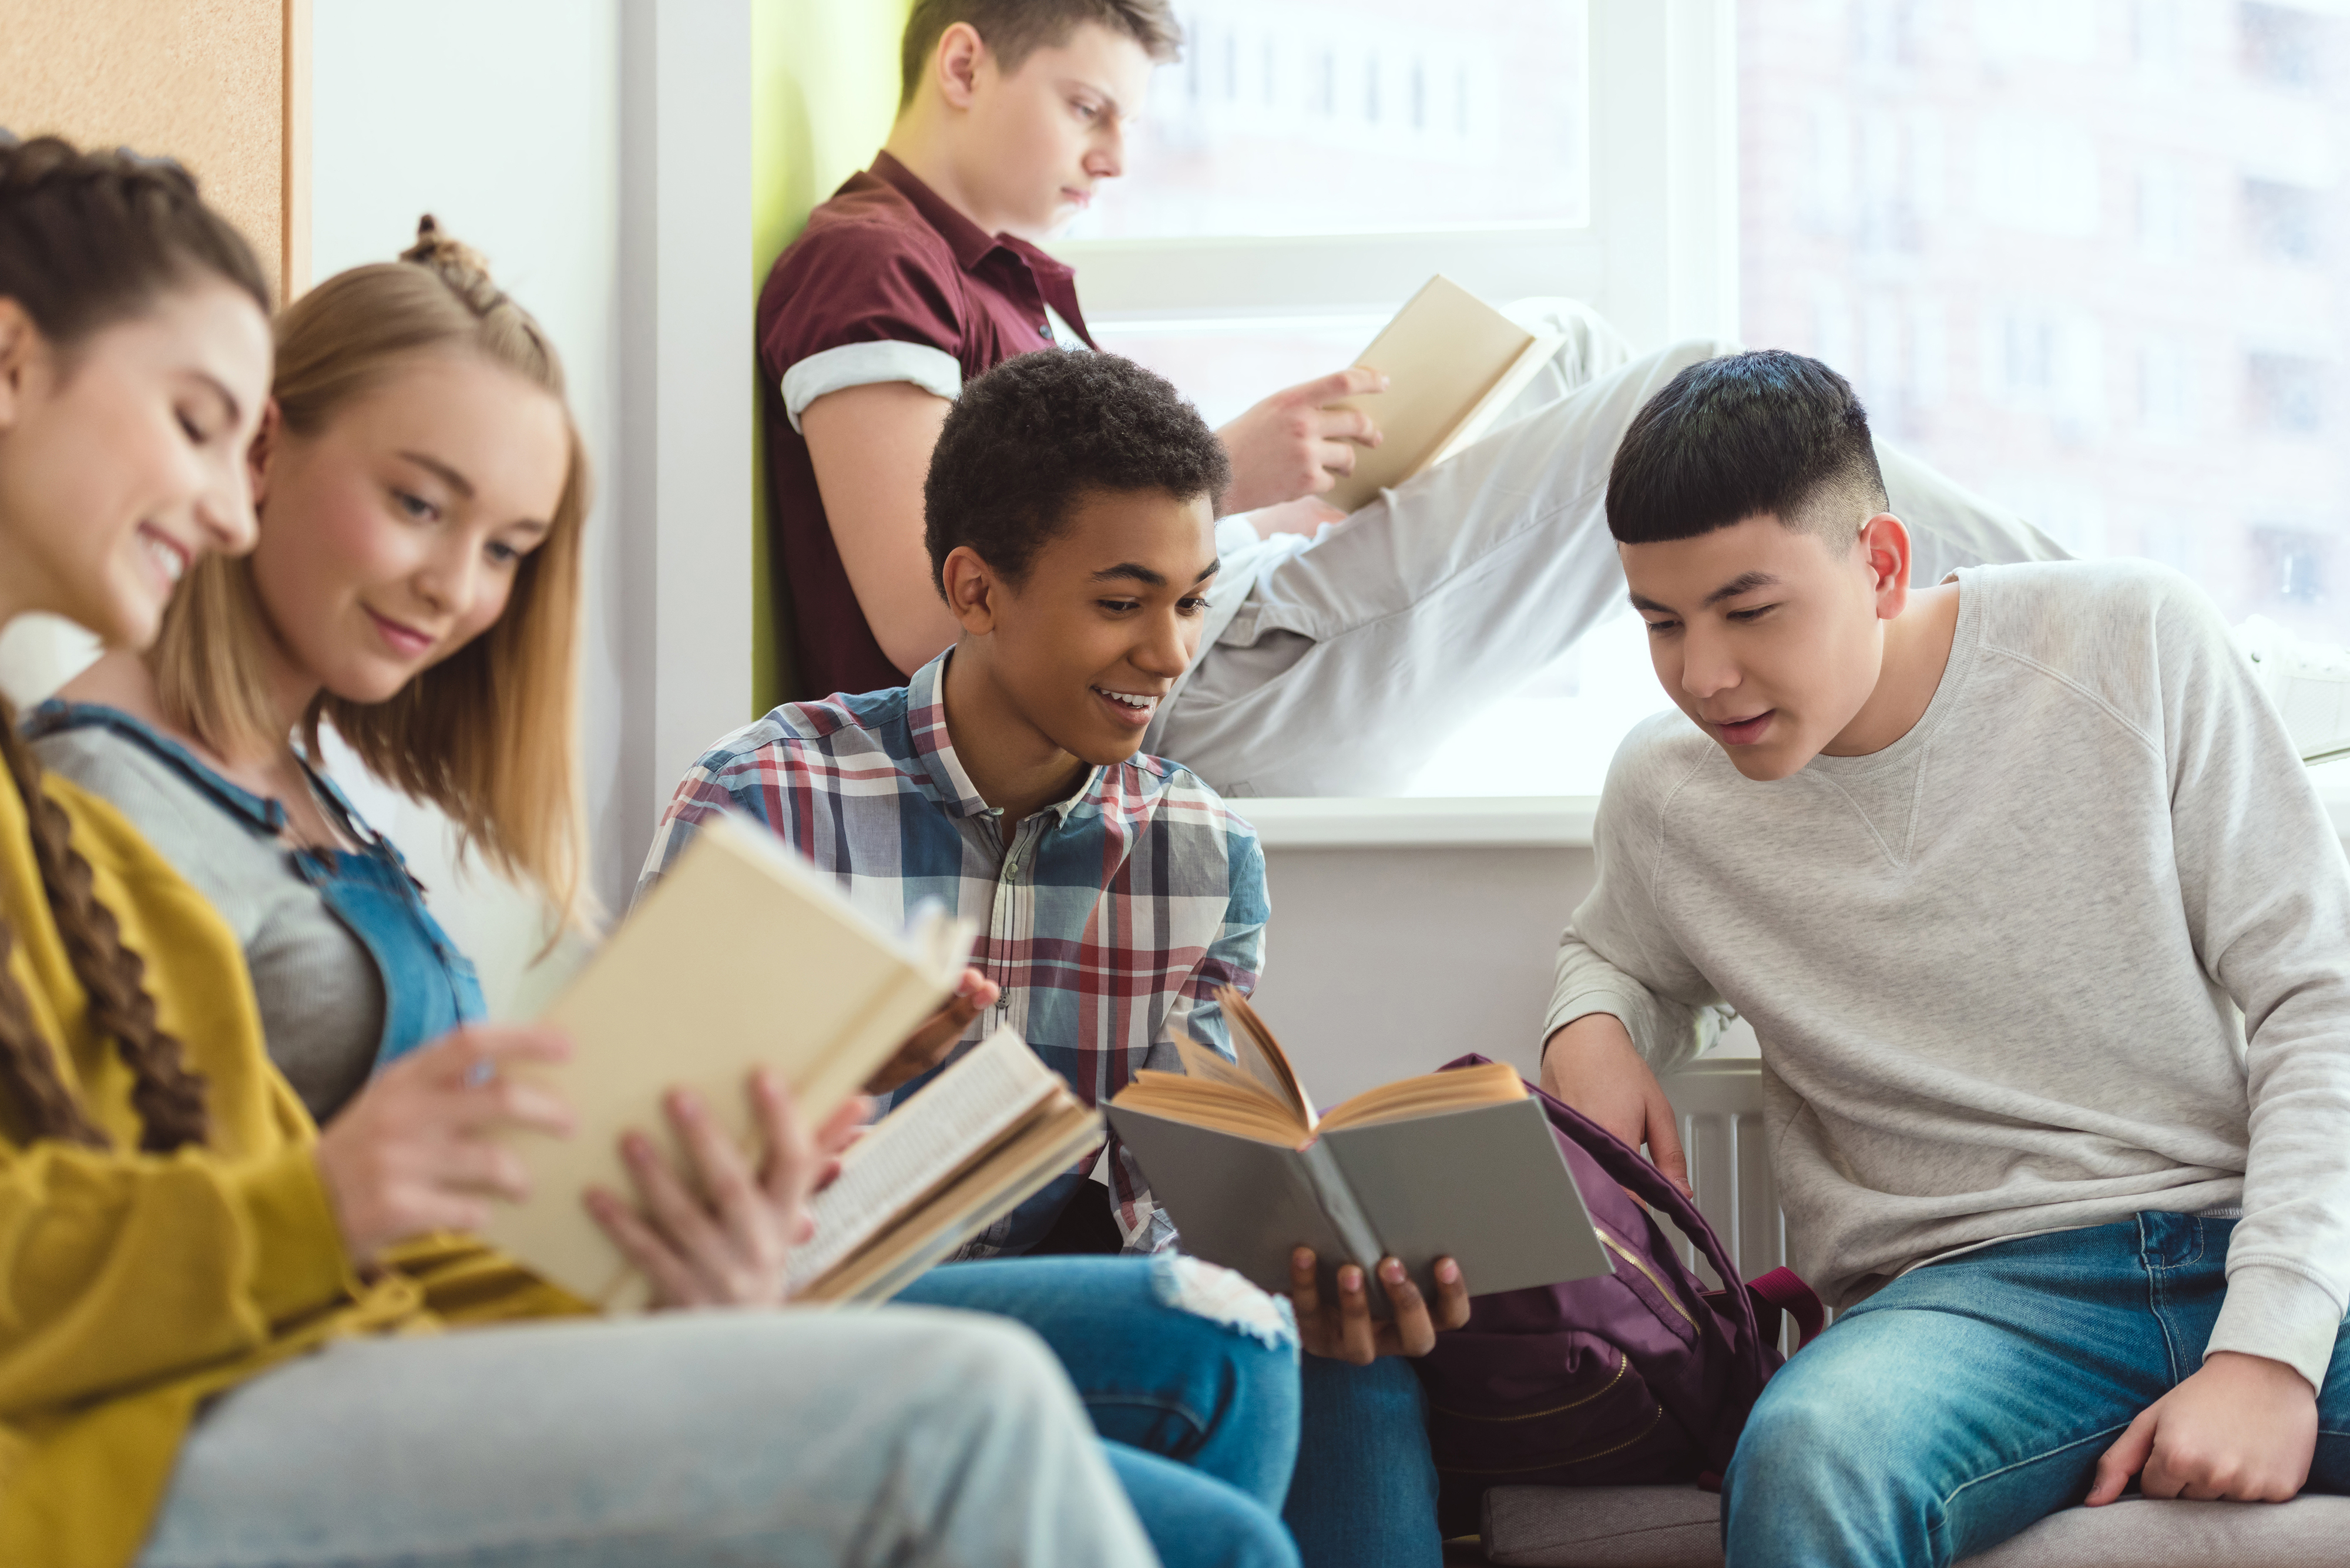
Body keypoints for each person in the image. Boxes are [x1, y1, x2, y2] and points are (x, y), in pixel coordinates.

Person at [29, 213, 1299, 1568]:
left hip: (466, 1328)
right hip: (303, 1382)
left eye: (509, 547)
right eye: (418, 504)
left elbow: (456, 1215)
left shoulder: (310, 801)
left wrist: (734, 1216)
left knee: (1224, 1409)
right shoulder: (99, 814)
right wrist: (350, 1204)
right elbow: (198, 1231)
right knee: (1048, 1439)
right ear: (262, 455)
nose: (460, 587)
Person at [758, 0, 2069, 795]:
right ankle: (2076, 607)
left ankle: (2058, 617)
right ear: (965, 65)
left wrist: (1284, 505)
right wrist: (1228, 479)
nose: (1110, 157)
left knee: (1561, 343)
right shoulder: (872, 263)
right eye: (1086, 108)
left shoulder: (1005, 287)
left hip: (1229, 639)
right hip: (1201, 698)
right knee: (1673, 391)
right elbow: (920, 614)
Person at [647, 348, 1472, 1567]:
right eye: (1120, 601)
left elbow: (1175, 1194)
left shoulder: (1203, 852)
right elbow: (655, 1158)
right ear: (975, 591)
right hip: (823, 1307)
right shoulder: (766, 798)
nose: (1168, 651)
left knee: (1353, 1368)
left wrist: (1319, 1260)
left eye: (1190, 601)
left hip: (1084, 1302)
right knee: (1207, 1336)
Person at [1538, 350, 2350, 1567]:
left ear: (1877, 564)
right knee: (1808, 1453)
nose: (1702, 674)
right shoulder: (1667, 794)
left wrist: (2265, 1351)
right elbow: (1611, 951)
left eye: (1748, 611)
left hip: (2234, 1229)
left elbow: (2316, 995)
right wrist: (1587, 1024)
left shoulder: (2130, 641)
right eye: (1660, 622)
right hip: (1963, 1302)